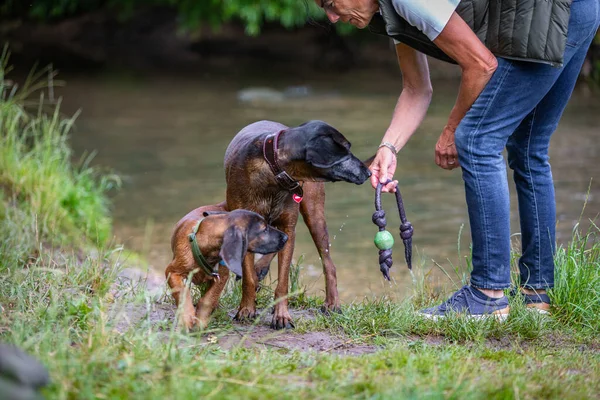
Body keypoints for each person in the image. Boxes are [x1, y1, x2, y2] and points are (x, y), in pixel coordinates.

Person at [314, 0, 600, 318]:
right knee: (529, 147)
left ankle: (487, 295)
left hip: (557, 10)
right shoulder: (392, 10)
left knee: (476, 141)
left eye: (330, 2)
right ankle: (536, 295)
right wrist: (388, 148)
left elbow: (481, 65)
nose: (331, 16)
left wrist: (452, 130)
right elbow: (416, 89)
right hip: (582, 8)